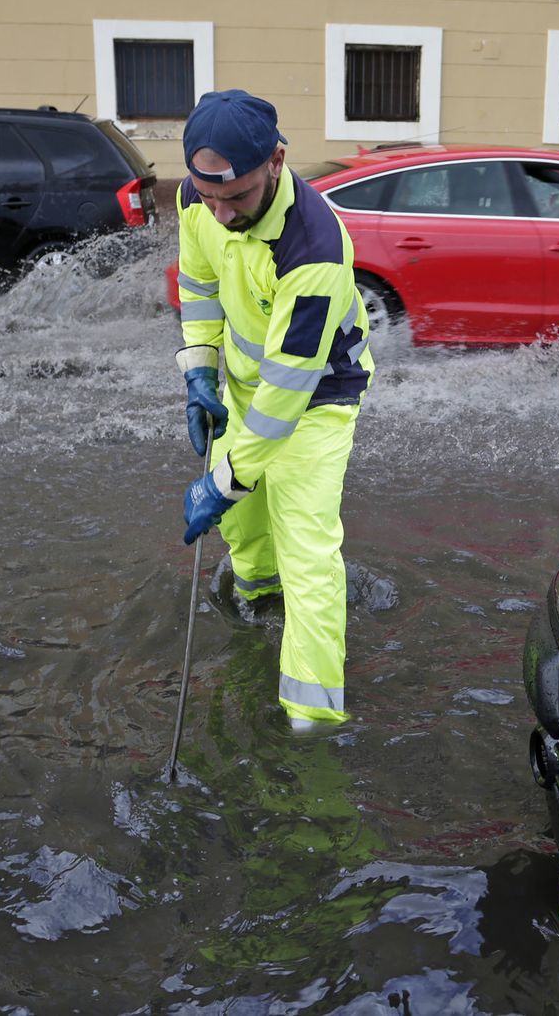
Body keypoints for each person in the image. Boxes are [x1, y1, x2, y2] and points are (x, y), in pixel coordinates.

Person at [173, 89, 373, 731]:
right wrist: (200, 367)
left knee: (307, 548)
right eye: (209, 198)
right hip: (244, 378)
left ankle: (311, 724)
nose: (222, 214)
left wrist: (223, 477)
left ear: (278, 161)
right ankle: (257, 599)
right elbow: (200, 284)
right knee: (244, 522)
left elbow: (288, 393)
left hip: (316, 397)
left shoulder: (314, 247)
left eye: (237, 197)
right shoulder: (194, 198)